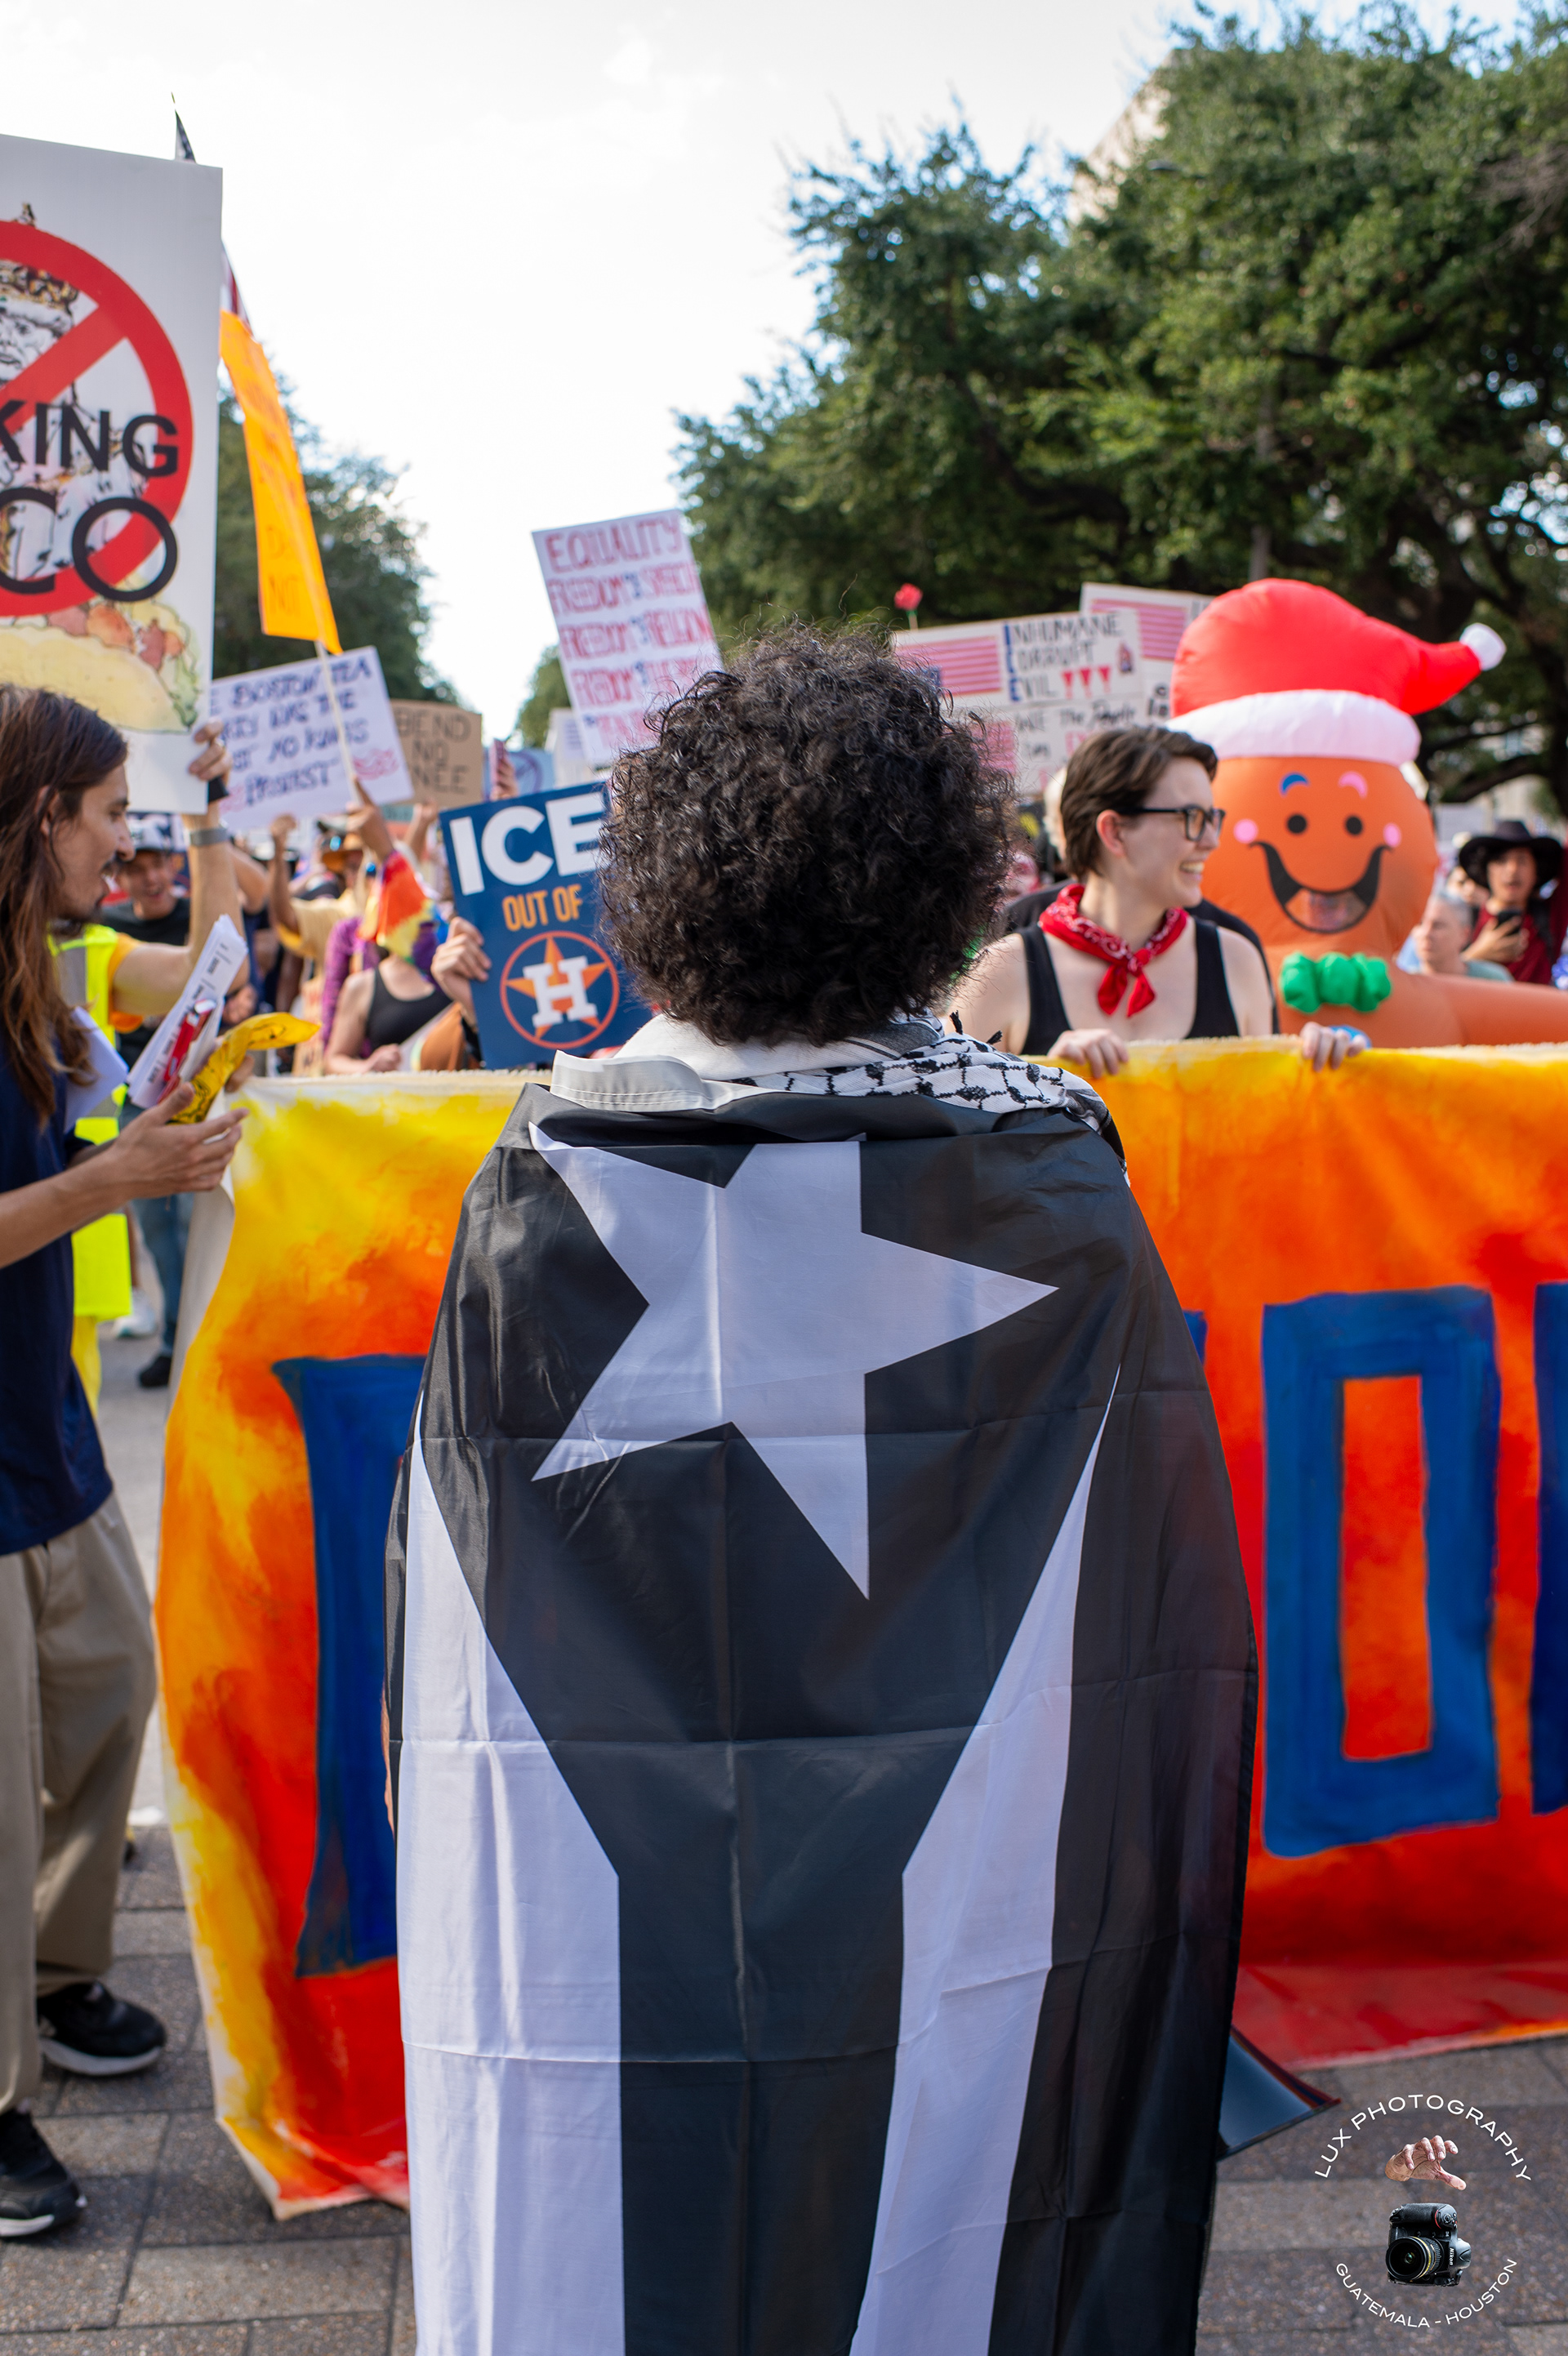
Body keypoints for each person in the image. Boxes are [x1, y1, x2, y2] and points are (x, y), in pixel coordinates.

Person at [388, 628, 1254, 2352]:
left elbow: (467, 1593)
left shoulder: (543, 1167)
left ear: (670, 884)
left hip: (619, 1861)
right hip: (966, 1847)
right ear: (934, 887)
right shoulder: (1056, 1167)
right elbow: (1144, 1589)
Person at [0, 688, 245, 2239]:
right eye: (106, 815)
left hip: (47, 1433)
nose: (121, 844)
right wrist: (114, 1181)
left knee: (107, 1701)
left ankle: (55, 1973)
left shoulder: (44, 972)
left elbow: (214, 971)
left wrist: (219, 815)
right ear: (41, 818)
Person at [954, 727, 1358, 1077]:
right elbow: (954, 1123)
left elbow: (1265, 1119)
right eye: (1191, 817)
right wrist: (1042, 1082)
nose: (1211, 841)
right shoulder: (1002, 973)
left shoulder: (1237, 961)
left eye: (1212, 818)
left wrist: (1318, 1068)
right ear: (1115, 832)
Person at [96, 814, 264, 1387]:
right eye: (136, 868)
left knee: (200, 1224)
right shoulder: (106, 930)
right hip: (137, 1101)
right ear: (120, 876)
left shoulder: (198, 918)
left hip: (201, 1093)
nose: (149, 878)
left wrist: (207, 826)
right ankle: (176, 1339)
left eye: (158, 864)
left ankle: (205, 1344)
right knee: (157, 1232)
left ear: (175, 866)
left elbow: (229, 970)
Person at [1454, 817, 1568, 986]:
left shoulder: (1550, 918)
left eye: (1522, 861)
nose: (1512, 870)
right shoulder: (1463, 919)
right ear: (1486, 871)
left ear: (1536, 872)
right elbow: (1439, 976)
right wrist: (1478, 955)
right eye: (1501, 861)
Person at [1412, 889, 1512, 983]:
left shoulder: (1492, 981)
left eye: (1438, 926)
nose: (1426, 933)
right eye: (1419, 924)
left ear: (1464, 934)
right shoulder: (1406, 984)